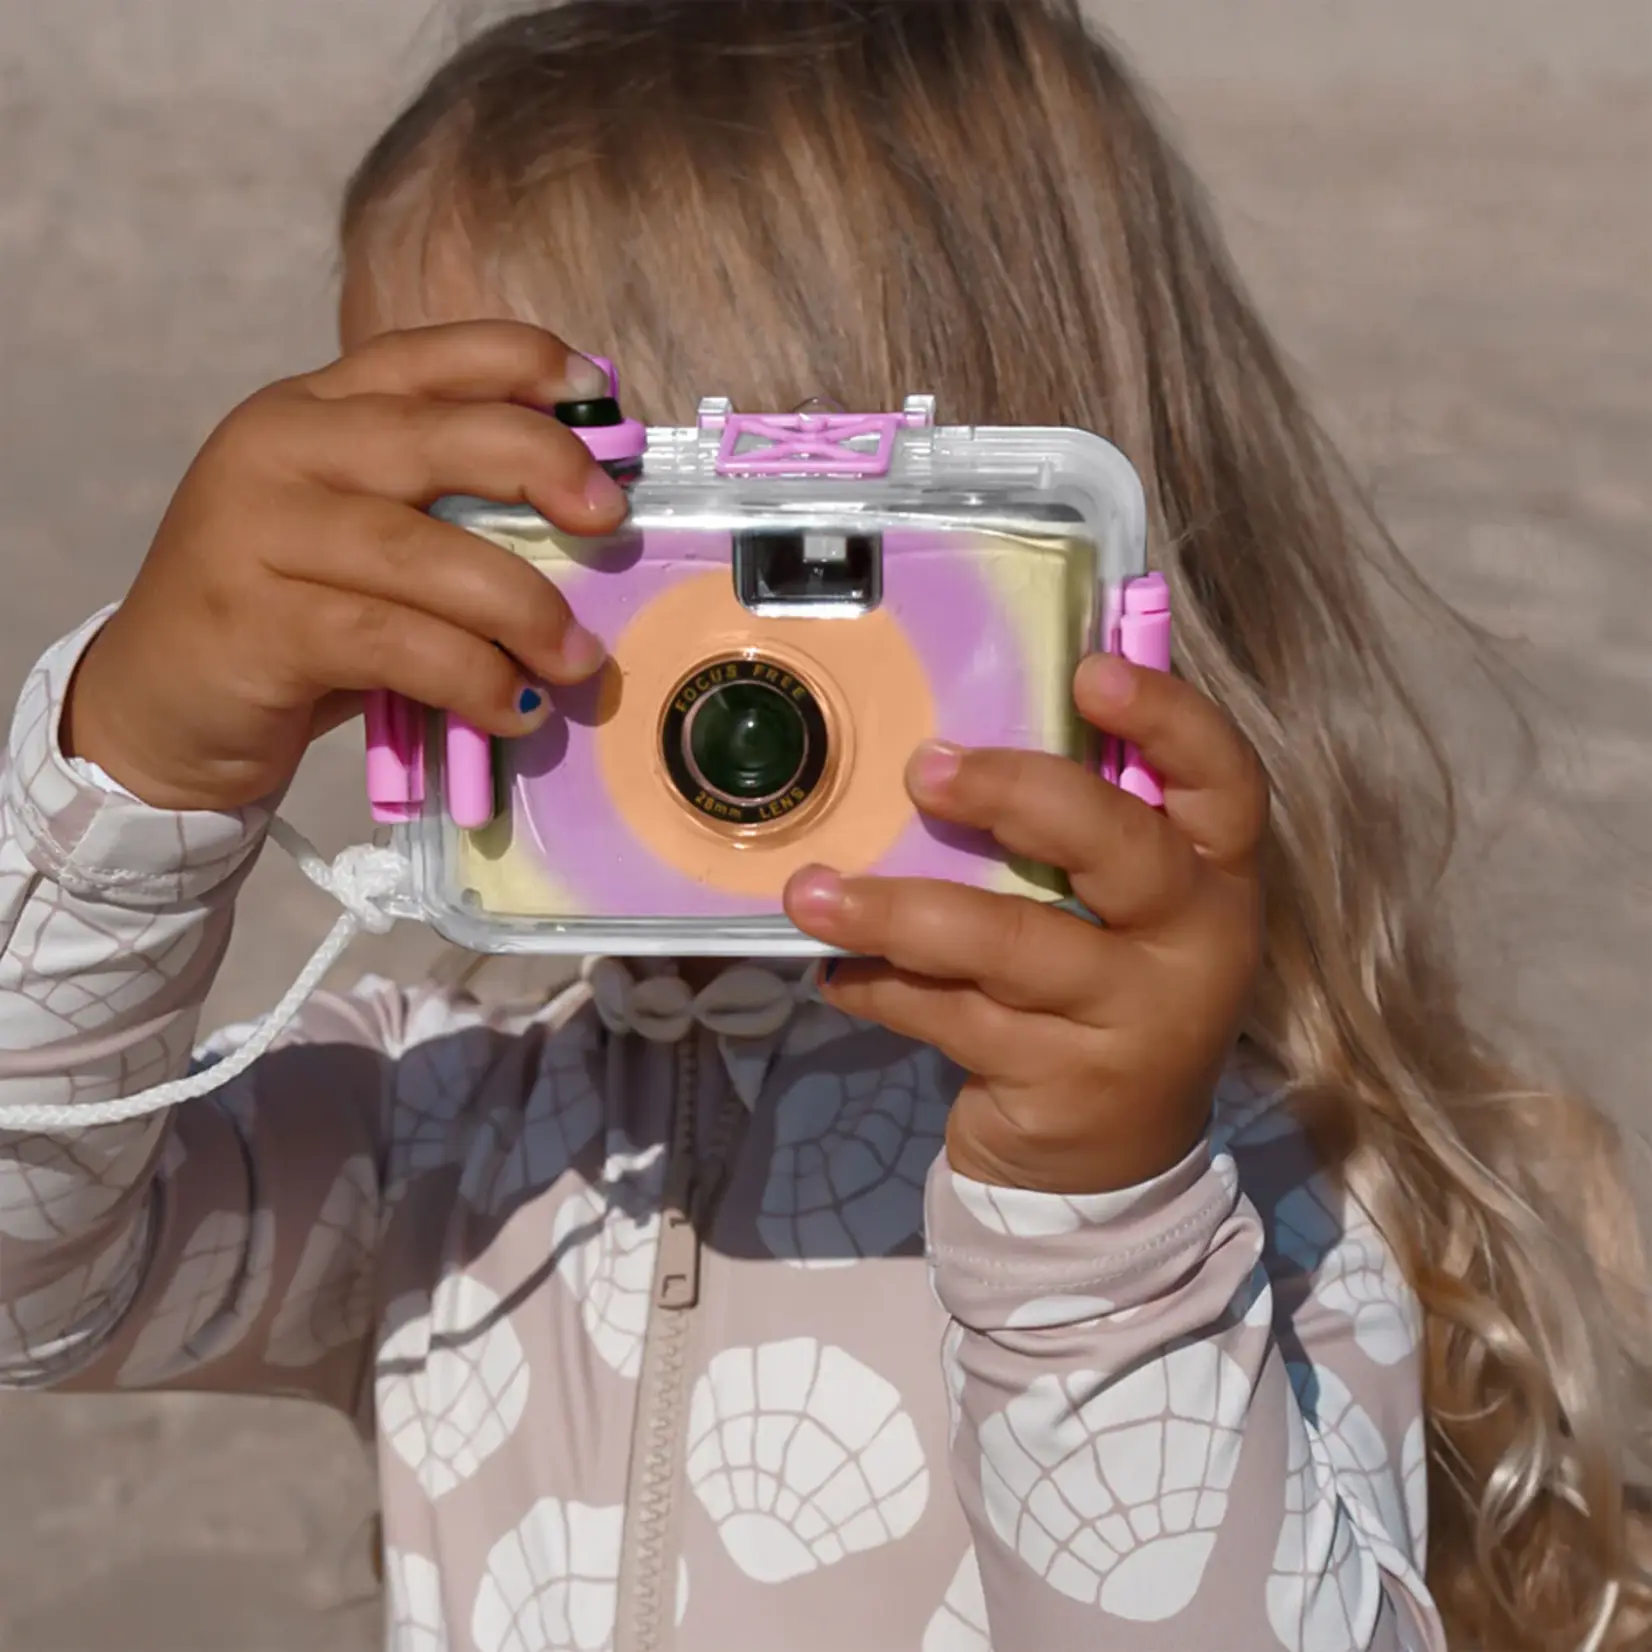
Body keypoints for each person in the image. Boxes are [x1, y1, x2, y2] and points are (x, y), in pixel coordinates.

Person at [0, 3, 1645, 1649]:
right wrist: (134, 769)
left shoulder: (1235, 1196)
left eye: (582, 551)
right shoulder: (437, 1132)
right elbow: (30, 1269)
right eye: (426, 536)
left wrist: (1095, 1229)